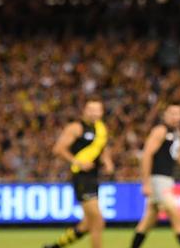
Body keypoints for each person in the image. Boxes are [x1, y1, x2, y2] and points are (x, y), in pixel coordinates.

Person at [130, 104, 180, 248]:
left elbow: (179, 154)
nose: (175, 117)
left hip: (166, 180)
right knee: (176, 215)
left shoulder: (177, 131)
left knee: (147, 222)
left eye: (178, 113)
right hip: (157, 180)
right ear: (165, 115)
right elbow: (146, 155)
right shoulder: (160, 131)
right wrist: (146, 182)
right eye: (172, 113)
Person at [45, 99, 114, 248]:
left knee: (87, 224)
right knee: (97, 221)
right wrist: (77, 162)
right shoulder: (76, 128)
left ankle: (55, 246)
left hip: (94, 177)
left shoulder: (102, 129)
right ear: (84, 111)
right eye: (91, 109)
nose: (94, 113)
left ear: (102, 112)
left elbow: (102, 148)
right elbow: (58, 149)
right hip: (81, 178)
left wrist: (107, 161)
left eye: (97, 110)